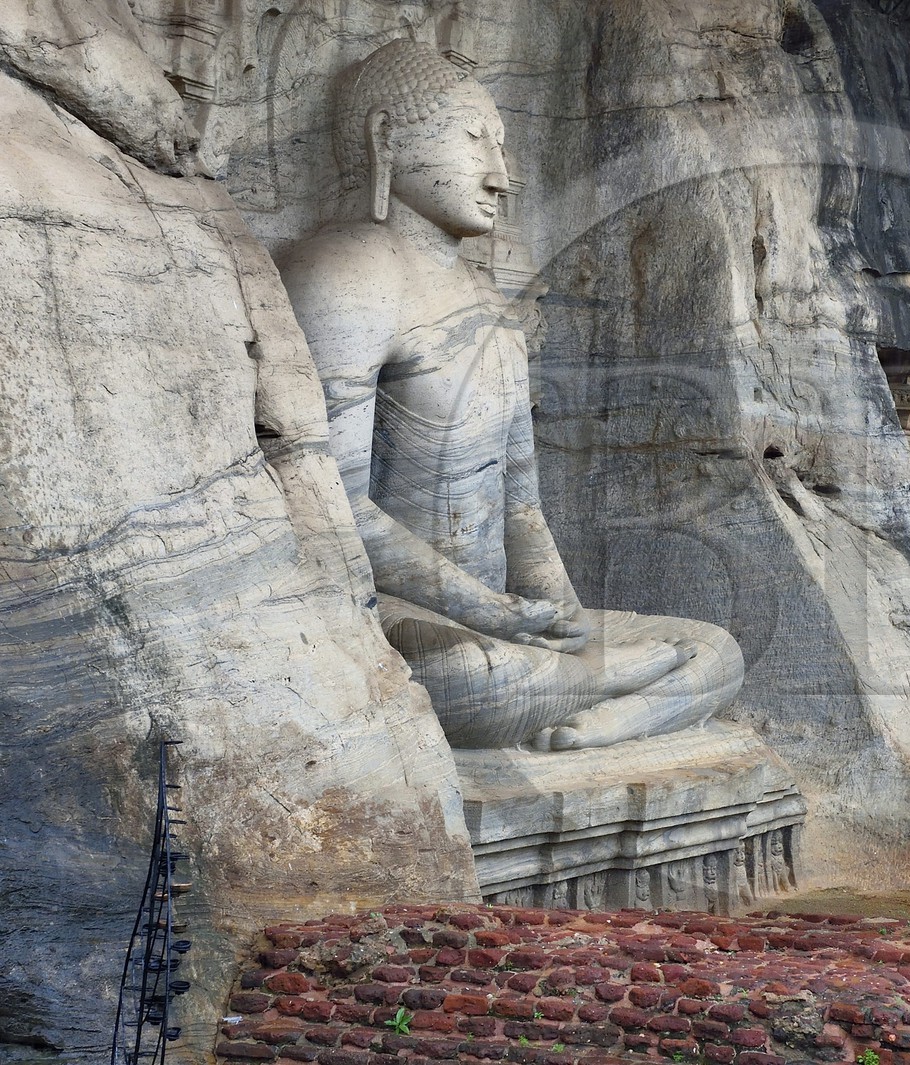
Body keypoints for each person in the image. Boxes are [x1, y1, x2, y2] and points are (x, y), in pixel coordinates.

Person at [277, 41, 744, 751]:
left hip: (508, 623)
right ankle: (605, 690)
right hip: (399, 614)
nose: (502, 175)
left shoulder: (490, 304)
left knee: (717, 649)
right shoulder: (346, 272)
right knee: (473, 677)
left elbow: (521, 509)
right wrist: (487, 611)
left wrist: (564, 619)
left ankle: (594, 718)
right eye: (474, 141)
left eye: (502, 145)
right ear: (385, 138)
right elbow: (329, 504)